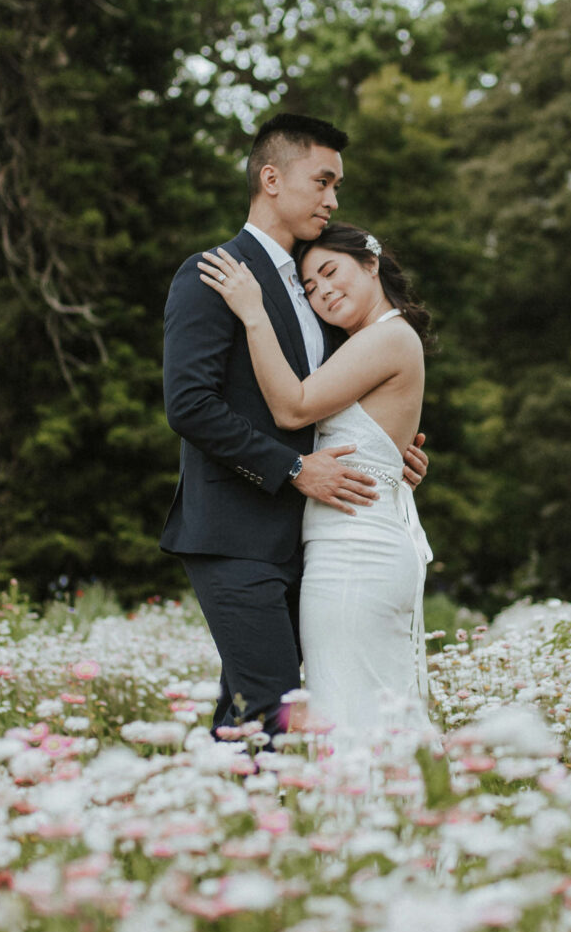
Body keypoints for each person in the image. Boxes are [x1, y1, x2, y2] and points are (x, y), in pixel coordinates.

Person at [161, 113, 427, 739]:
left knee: (251, 714)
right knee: (270, 709)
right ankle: (255, 829)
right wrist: (292, 468)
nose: (333, 201)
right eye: (323, 181)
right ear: (272, 178)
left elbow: (341, 404)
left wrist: (389, 454)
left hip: (315, 542)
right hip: (234, 535)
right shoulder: (213, 275)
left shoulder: (317, 293)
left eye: (338, 188)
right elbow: (190, 405)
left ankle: (224, 826)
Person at [198, 221, 434, 740]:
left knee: (353, 715)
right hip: (345, 547)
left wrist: (254, 312)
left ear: (371, 264)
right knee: (361, 708)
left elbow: (293, 408)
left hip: (356, 555)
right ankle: (393, 814)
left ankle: (377, 813)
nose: (323, 291)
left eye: (331, 272)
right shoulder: (365, 343)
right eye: (309, 287)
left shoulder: (389, 336)